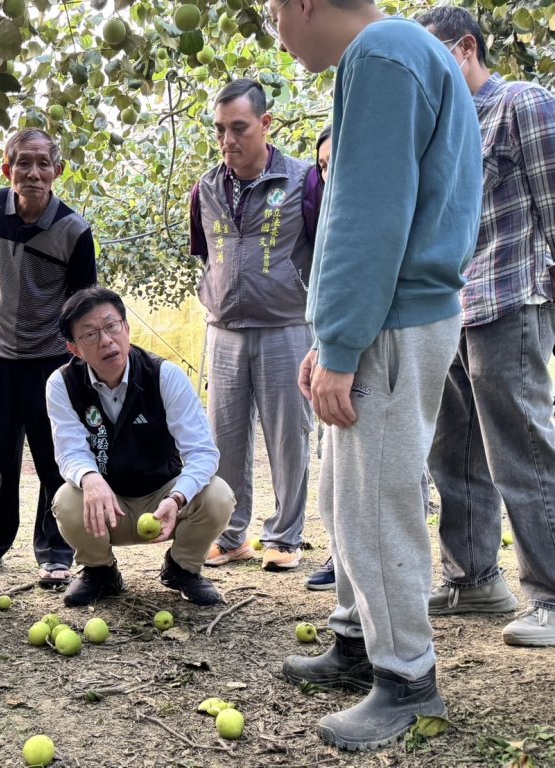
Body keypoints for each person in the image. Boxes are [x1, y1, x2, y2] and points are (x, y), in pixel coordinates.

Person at [270, 0, 483, 750]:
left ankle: (408, 682)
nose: (276, 29)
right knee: (344, 487)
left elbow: (368, 215)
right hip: (386, 317)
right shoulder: (402, 52)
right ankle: (358, 640)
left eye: (271, 12)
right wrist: (331, 334)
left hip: (393, 317)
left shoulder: (383, 55)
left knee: (377, 495)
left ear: (301, 4)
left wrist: (344, 340)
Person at [418, 7, 555, 647]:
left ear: (466, 48)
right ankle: (474, 578)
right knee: (456, 452)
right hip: (452, 310)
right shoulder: (444, 126)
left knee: (520, 452)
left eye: (432, 56)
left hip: (511, 300)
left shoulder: (523, 104)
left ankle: (551, 592)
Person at [190, 78, 320, 573]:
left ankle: (285, 535)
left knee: (289, 434)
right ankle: (231, 534)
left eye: (239, 128)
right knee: (223, 436)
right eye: (220, 129)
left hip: (286, 326)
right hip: (224, 328)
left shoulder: (303, 180)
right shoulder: (205, 187)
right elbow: (206, 254)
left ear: (265, 125)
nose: (228, 141)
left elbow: (322, 251)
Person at [46, 287, 236, 608]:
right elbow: (69, 451)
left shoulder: (165, 376)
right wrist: (91, 480)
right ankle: (100, 571)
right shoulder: (61, 384)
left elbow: (202, 453)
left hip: (164, 496)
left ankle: (182, 568)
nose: (106, 340)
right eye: (90, 334)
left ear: (127, 327)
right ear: (74, 348)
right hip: (109, 503)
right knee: (67, 500)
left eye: (112, 326)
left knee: (217, 495)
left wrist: (177, 498)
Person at [0, 128, 97, 587]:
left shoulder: (75, 231)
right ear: (8, 169)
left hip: (49, 362)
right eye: (23, 162)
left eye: (44, 163)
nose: (33, 172)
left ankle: (57, 552)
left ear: (57, 171)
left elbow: (81, 303)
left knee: (52, 457)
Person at [305, 124, 336, 591]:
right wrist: (317, 346)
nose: (331, 173)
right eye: (324, 166)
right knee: (333, 475)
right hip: (330, 346)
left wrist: (340, 356)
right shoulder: (331, 212)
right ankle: (339, 554)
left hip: (362, 360)